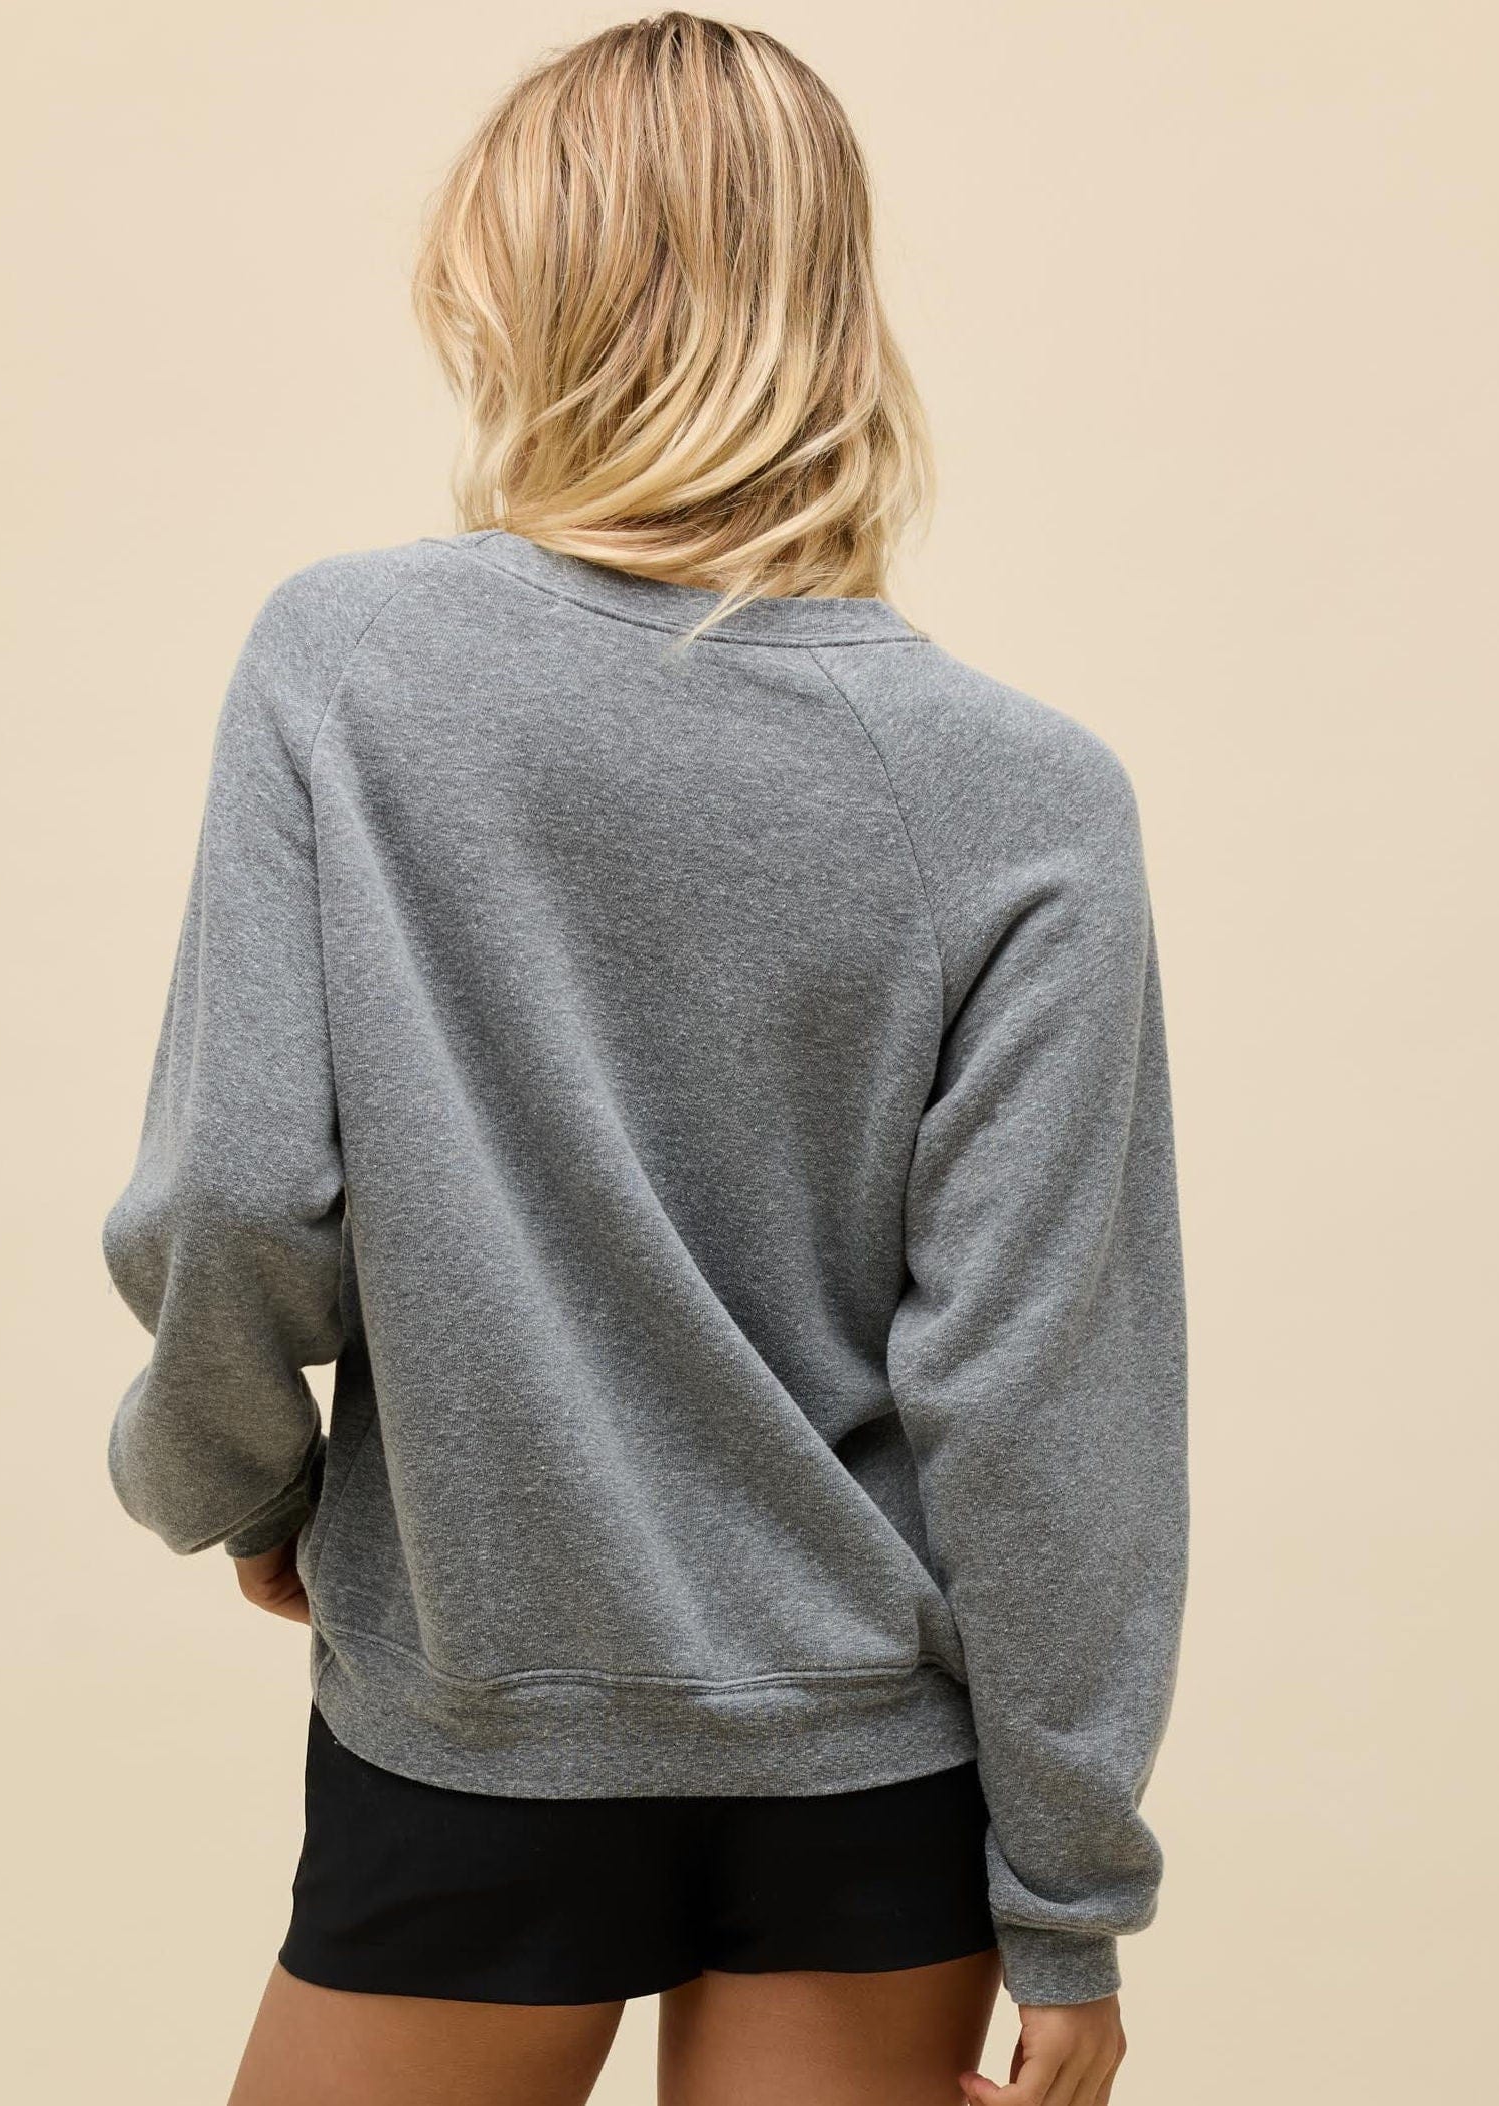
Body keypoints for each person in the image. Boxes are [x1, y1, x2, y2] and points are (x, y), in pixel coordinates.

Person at [100, 15, 1189, 2105]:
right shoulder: (1028, 794)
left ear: (523, 289)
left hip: (483, 1708)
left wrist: (233, 1479)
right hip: (874, 1765)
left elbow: (239, 1192)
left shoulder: (350, 660)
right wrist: (1070, 1896)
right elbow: (1047, 1399)